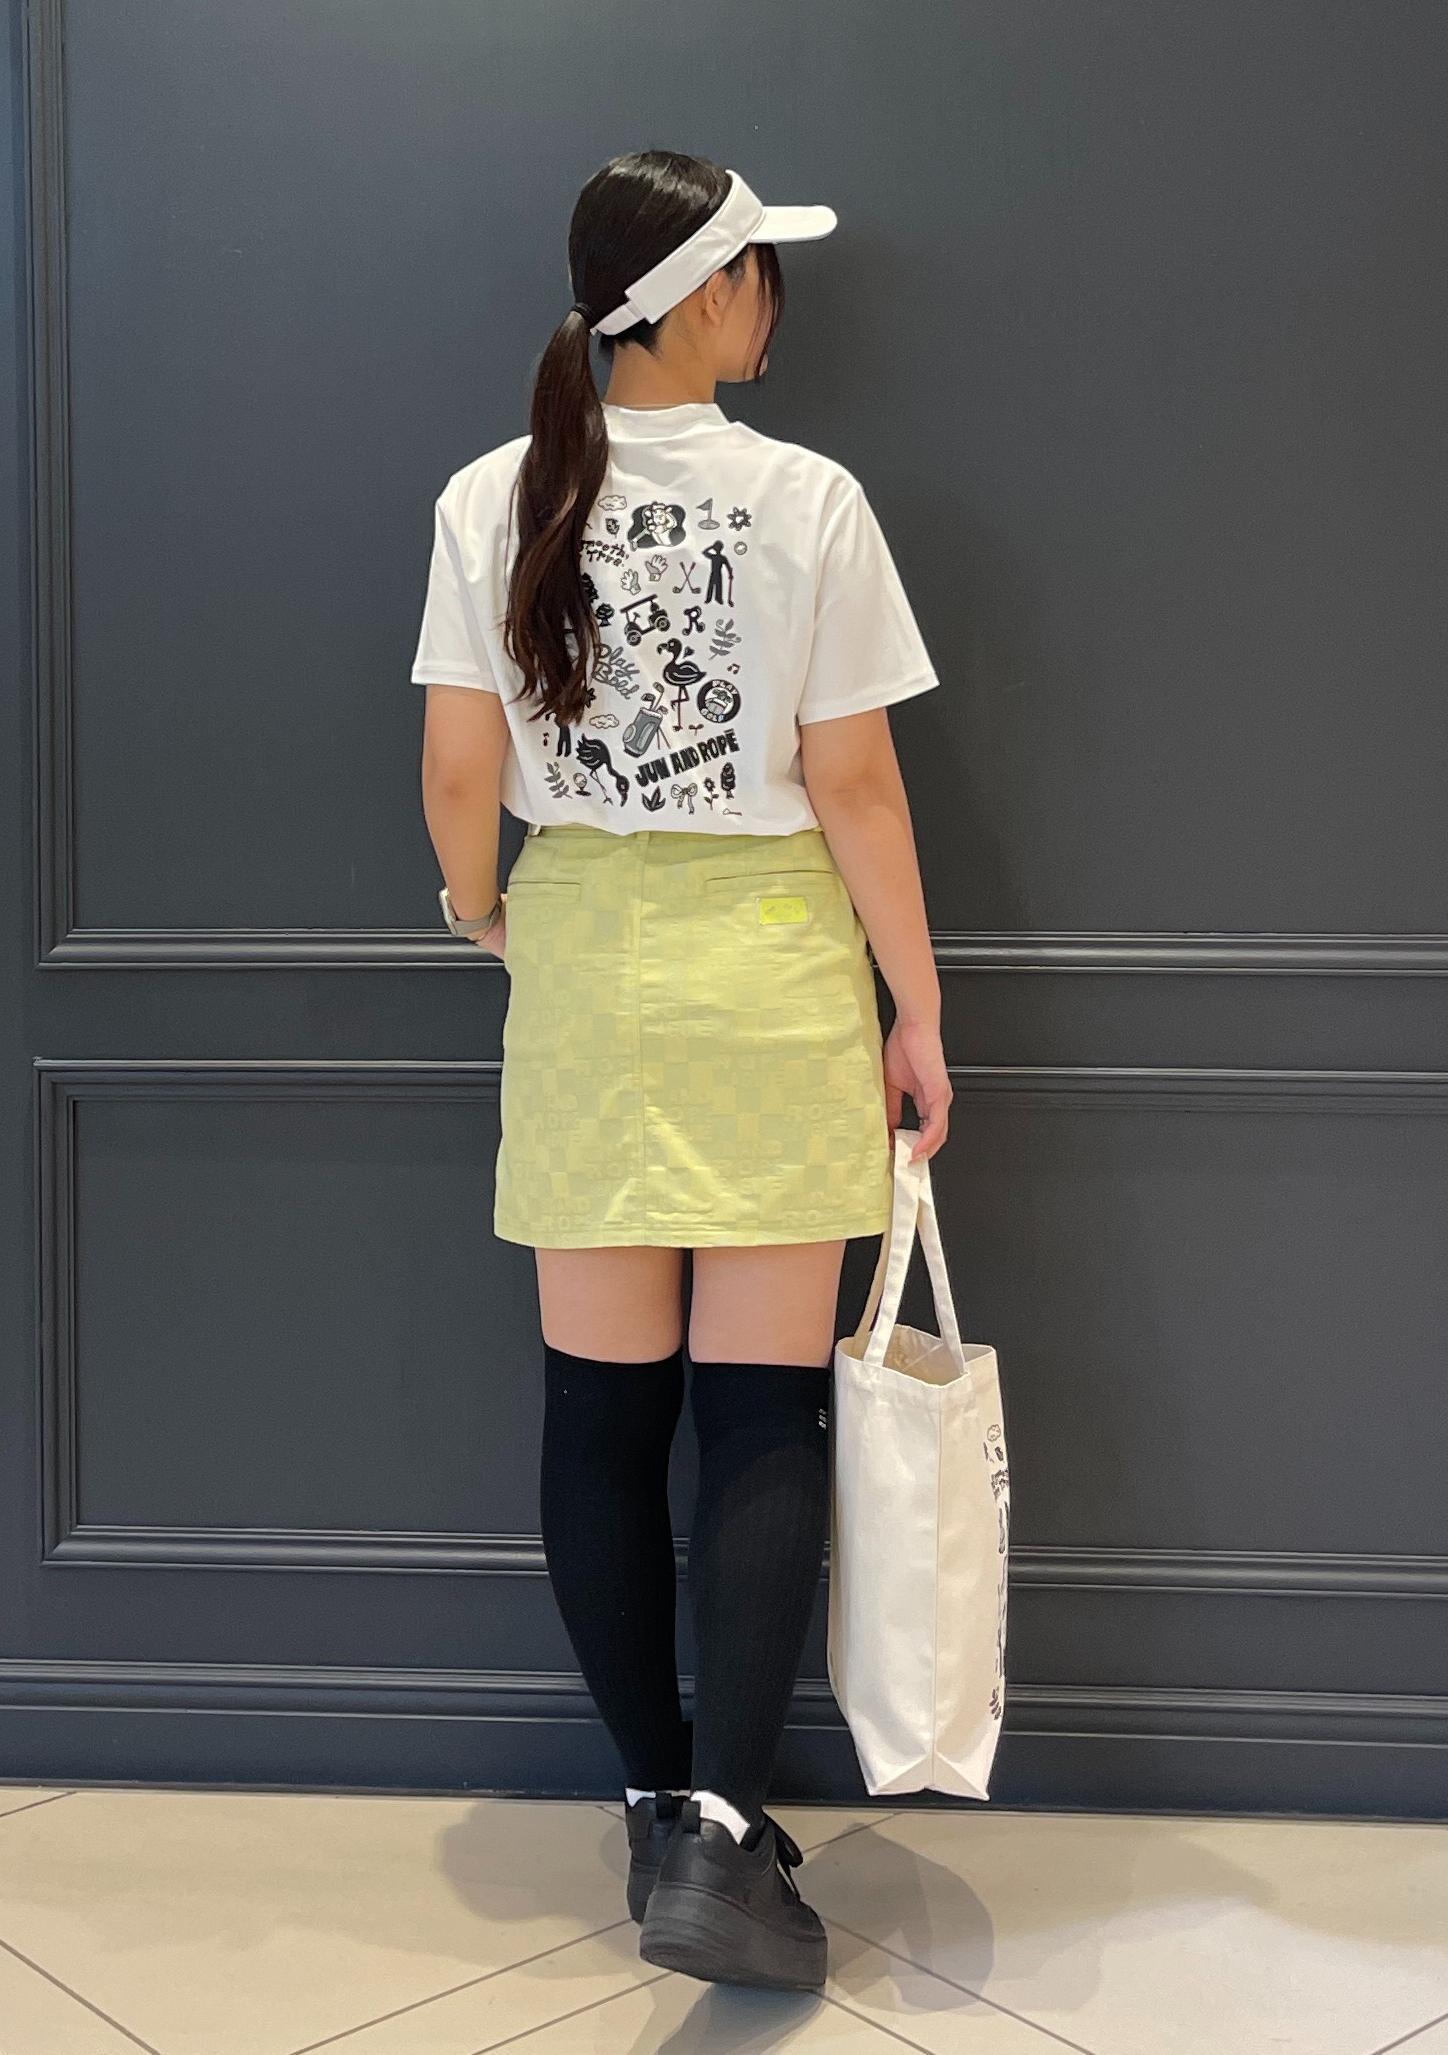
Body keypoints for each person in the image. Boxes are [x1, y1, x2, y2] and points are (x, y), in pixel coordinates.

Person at [410, 150, 952, 1995]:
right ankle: (725, 1833)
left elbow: (459, 774)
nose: (774, 298)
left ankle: (651, 1804)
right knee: (760, 1414)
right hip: (771, 960)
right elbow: (856, 783)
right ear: (711, 294)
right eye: (761, 270)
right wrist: (917, 1009)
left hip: (583, 957)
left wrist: (492, 916)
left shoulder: (489, 496)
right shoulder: (809, 500)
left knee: (599, 1412)